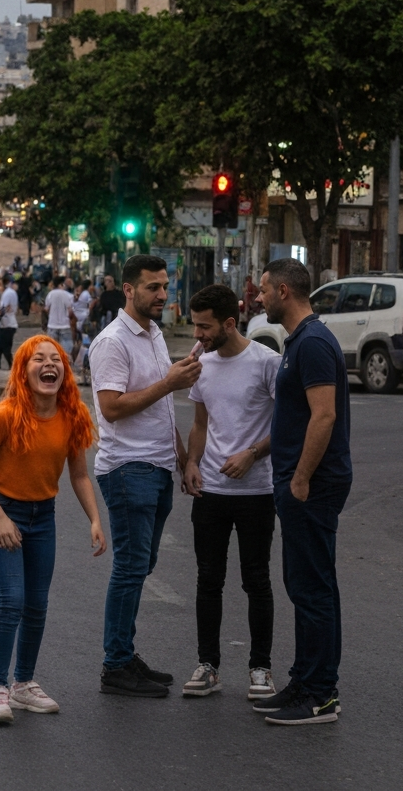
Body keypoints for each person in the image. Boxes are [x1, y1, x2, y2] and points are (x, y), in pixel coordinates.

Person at [0, 335, 106, 724]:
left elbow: (79, 474)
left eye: (56, 359)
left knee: (37, 605)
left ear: (64, 370)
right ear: (23, 371)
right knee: (11, 601)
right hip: (6, 511)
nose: (49, 365)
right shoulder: (6, 414)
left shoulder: (71, 415)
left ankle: (23, 684)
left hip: (43, 518)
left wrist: (95, 519)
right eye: (38, 360)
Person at [88, 254, 201, 697]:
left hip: (156, 466)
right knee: (131, 567)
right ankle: (115, 664)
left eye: (165, 285)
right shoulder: (112, 342)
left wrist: (182, 457)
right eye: (153, 287)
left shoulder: (153, 333)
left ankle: (124, 654)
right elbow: (112, 409)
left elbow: (160, 406)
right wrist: (170, 383)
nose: (162, 294)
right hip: (127, 467)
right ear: (129, 290)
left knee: (141, 565)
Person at [252, 258, 352, 726]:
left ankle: (320, 695)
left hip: (311, 483)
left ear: (285, 292)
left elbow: (324, 415)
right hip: (301, 479)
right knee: (306, 584)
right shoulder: (302, 340)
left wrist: (300, 478)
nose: (258, 297)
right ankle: (304, 682)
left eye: (264, 290)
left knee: (312, 588)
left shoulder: (311, 342)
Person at [180, 284, 280, 701]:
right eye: (195, 327)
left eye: (205, 328)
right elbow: (201, 423)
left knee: (256, 580)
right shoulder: (201, 364)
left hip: (257, 491)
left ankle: (260, 669)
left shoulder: (267, 363)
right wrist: (190, 462)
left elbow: (288, 424)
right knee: (208, 579)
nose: (198, 336)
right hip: (212, 493)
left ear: (229, 323)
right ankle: (208, 665)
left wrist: (253, 455)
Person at [0, 274, 19, 371]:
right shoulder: (9, 293)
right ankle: (1, 368)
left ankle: (12, 367)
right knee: (0, 349)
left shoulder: (8, 293)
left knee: (4, 348)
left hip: (8, 324)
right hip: (6, 324)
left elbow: (2, 308)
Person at [44, 276, 74, 350]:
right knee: (66, 349)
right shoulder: (67, 295)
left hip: (52, 325)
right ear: (61, 284)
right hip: (65, 325)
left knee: (52, 348)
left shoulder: (50, 294)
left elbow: (46, 309)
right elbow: (70, 309)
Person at [71, 280, 92, 363]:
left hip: (76, 318)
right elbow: (90, 305)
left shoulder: (79, 294)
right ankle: (83, 360)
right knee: (85, 340)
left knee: (79, 339)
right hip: (84, 318)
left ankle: (76, 359)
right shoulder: (86, 294)